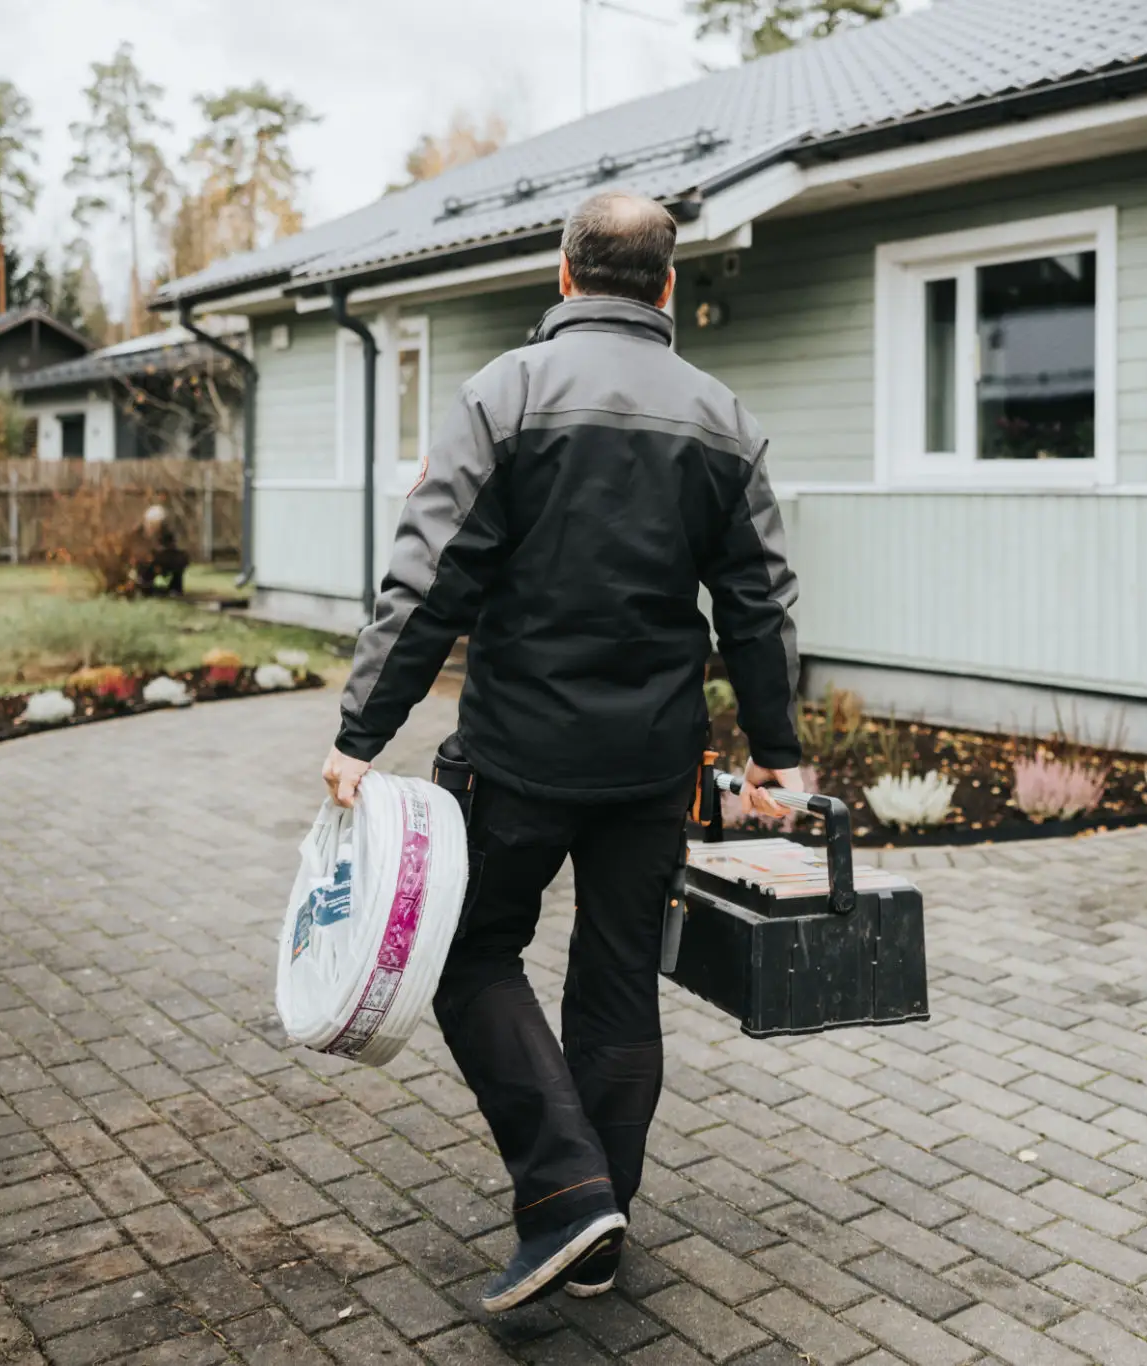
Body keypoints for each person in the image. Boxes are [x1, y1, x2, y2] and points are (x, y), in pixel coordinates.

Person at [320, 190, 804, 1312]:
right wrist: (776, 749)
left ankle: (570, 1194)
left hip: (515, 758)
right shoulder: (720, 414)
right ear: (667, 286)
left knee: (463, 952)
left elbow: (430, 580)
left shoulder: (505, 393)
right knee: (615, 986)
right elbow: (757, 603)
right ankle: (592, 1229)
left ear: (562, 271)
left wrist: (360, 733)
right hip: (651, 765)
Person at [130, 504, 188, 596]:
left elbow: (171, 548)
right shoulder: (138, 533)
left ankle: (175, 587)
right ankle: (144, 585)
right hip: (145, 563)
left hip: (160, 561)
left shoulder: (166, 534)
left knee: (181, 558)